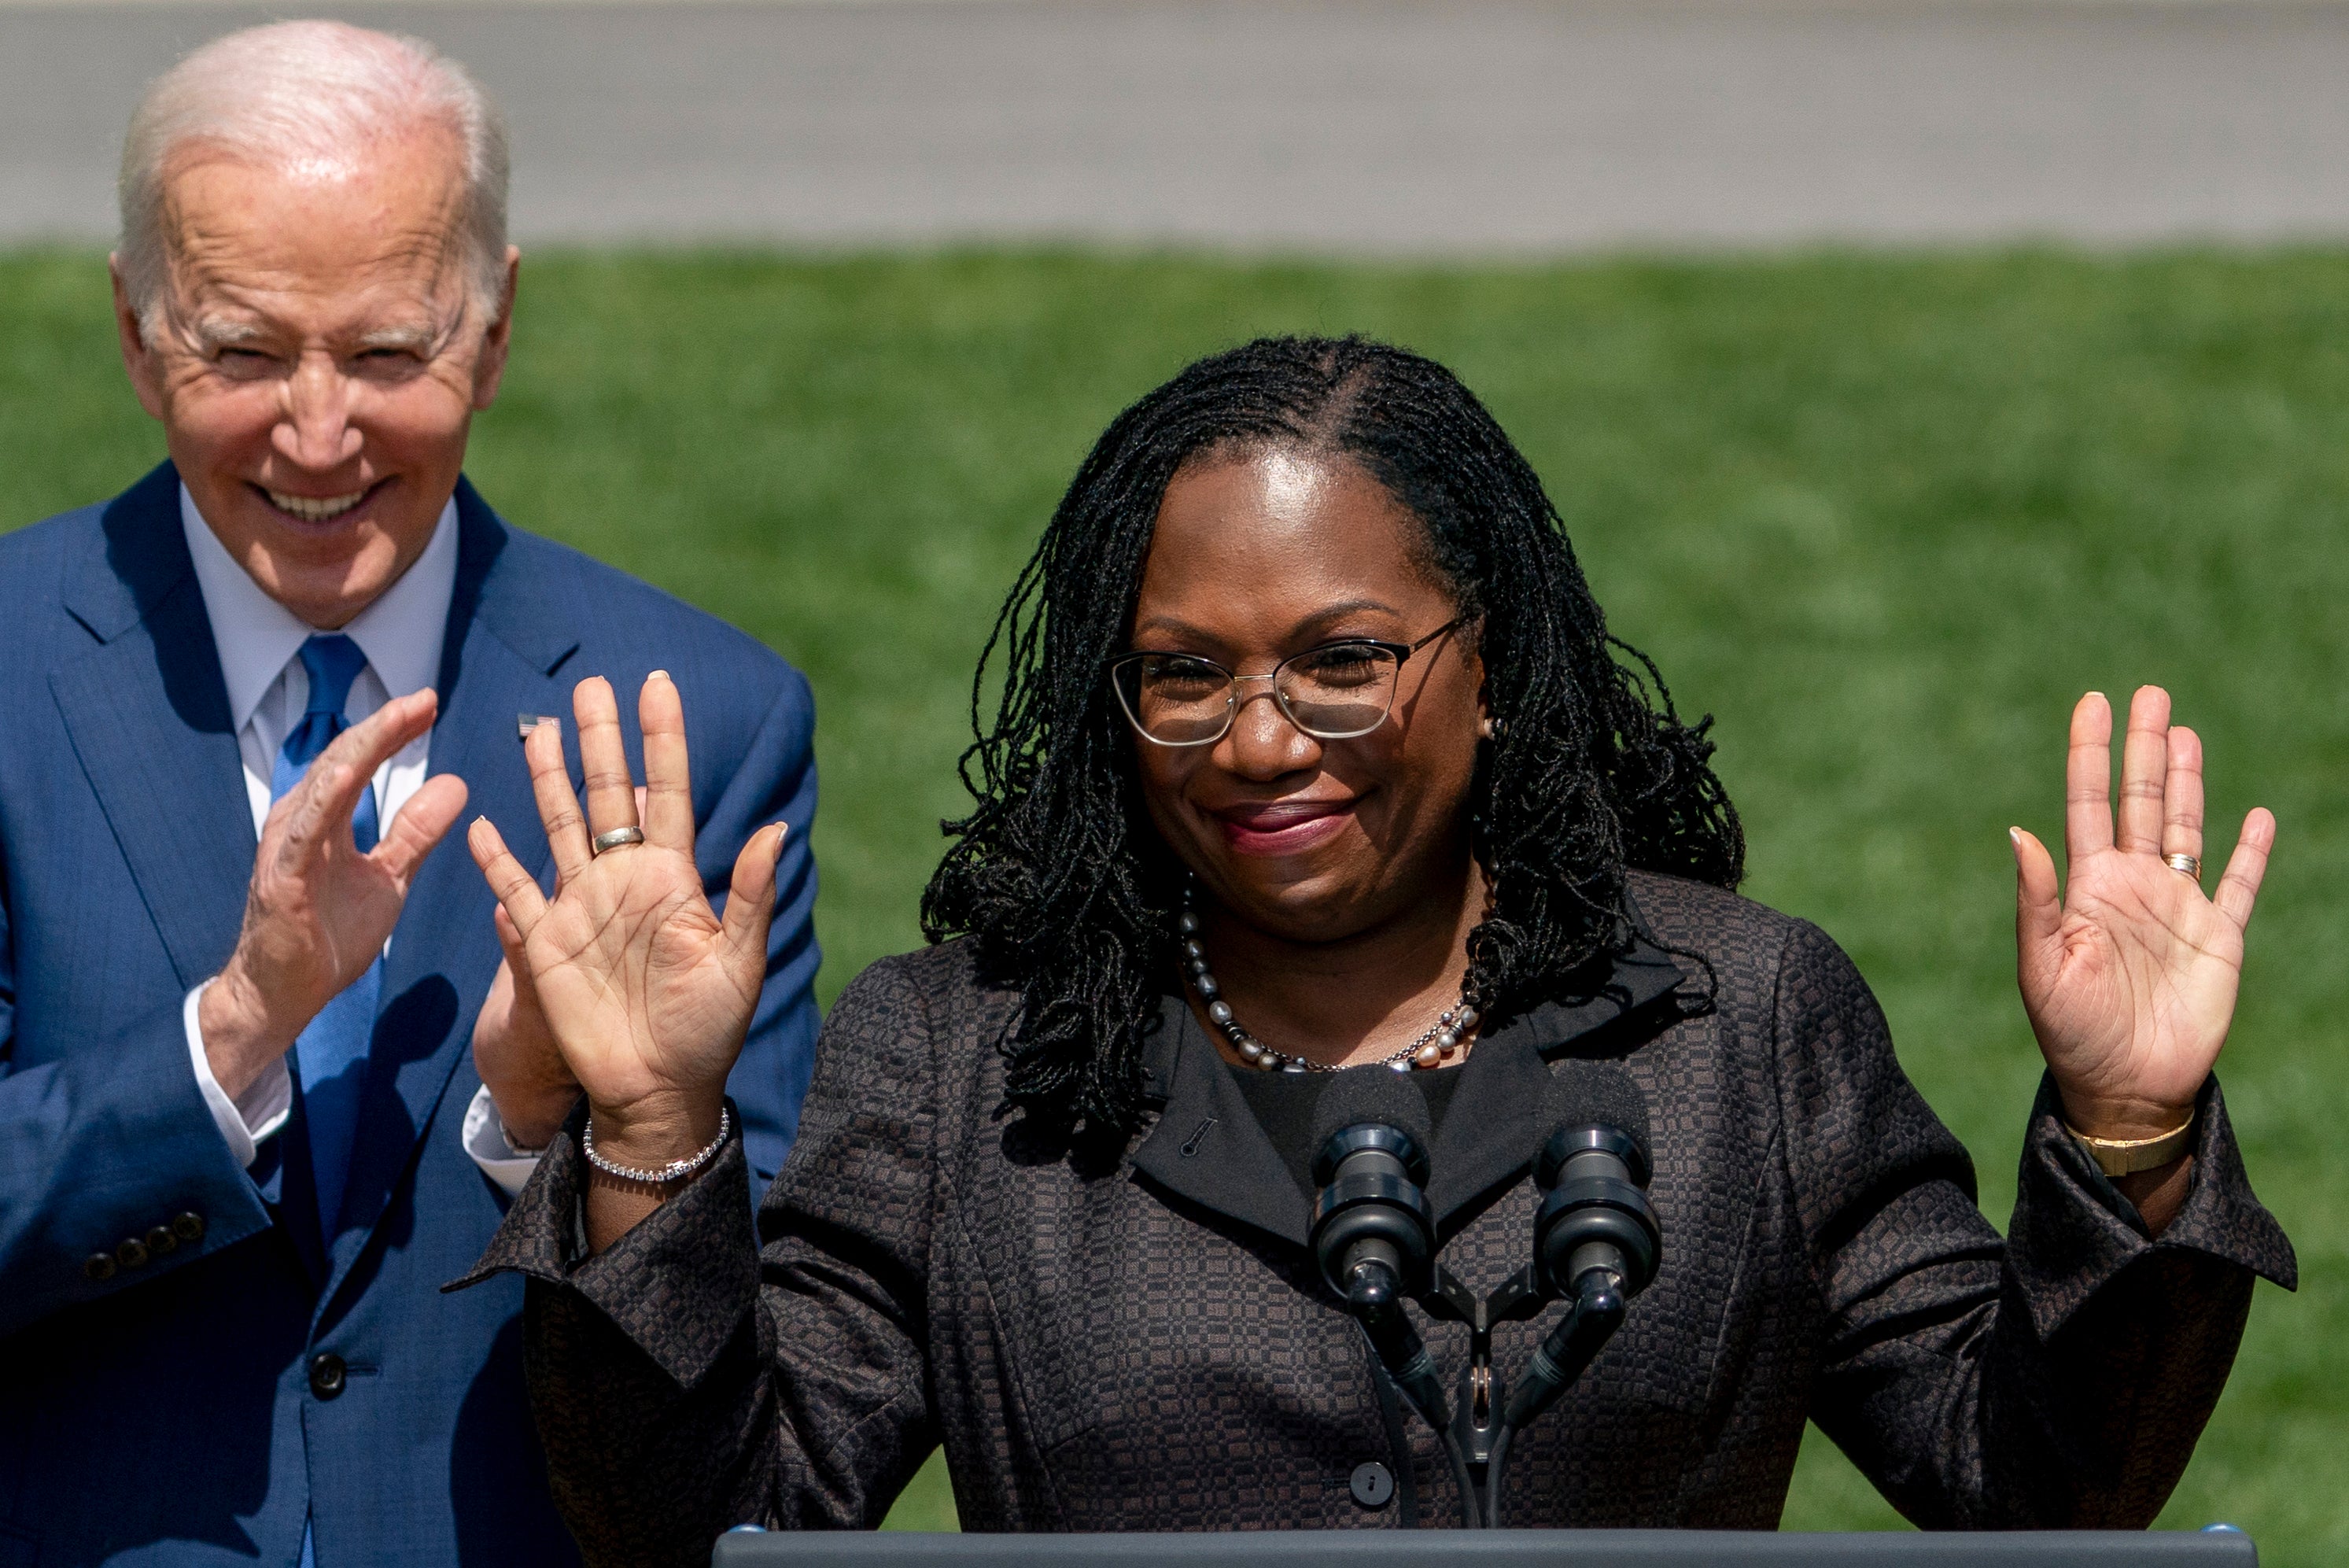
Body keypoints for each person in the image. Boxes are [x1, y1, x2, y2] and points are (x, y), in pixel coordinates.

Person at [459, 337, 2293, 1558]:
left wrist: (2123, 1135)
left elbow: (2034, 1481)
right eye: (1183, 674)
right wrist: (644, 1138)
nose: (1258, 739)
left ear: (1486, 668)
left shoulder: (1739, 1017)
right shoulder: (964, 1056)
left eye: (1340, 659)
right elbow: (699, 1530)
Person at [0, 23, 821, 1566]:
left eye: (389, 352)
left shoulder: (700, 720)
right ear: (132, 328)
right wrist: (226, 1040)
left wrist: (590, 1131)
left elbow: (757, 1394)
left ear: (496, 332)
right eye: (242, 352)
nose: (320, 434)